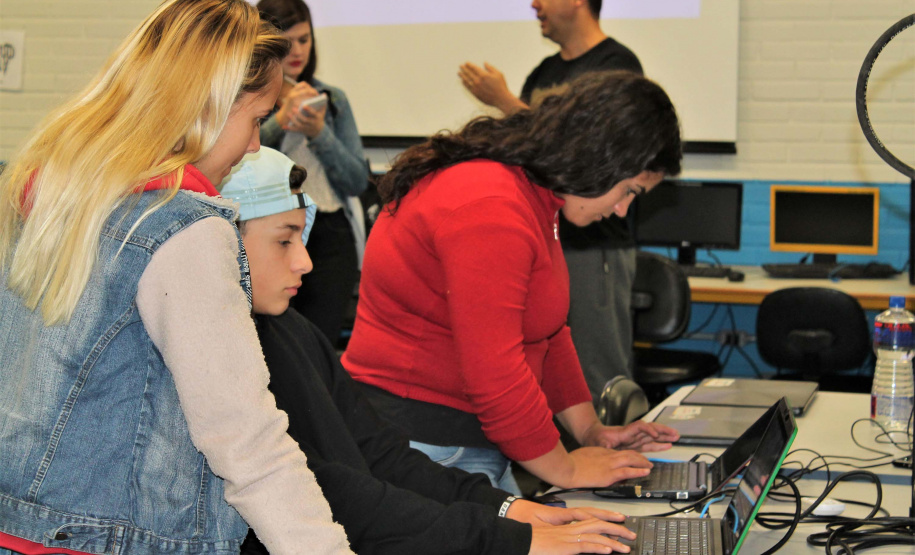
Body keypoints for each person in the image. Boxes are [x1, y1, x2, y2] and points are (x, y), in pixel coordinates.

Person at [0, 2, 351, 554]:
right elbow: (247, 442)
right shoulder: (182, 228)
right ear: (206, 107)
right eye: (256, 120)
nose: (257, 146)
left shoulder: (50, 196)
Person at [221, 146, 640, 555]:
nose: (305, 262)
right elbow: (338, 498)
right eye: (283, 242)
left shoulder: (293, 332)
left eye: (301, 237)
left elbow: (382, 456)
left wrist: (508, 509)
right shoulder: (231, 359)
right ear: (224, 242)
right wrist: (507, 537)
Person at [342, 71, 682, 495]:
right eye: (628, 191)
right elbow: (494, 374)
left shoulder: (534, 192)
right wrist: (568, 470)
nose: (620, 210)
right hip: (426, 444)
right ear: (601, 158)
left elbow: (546, 331)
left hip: (461, 440)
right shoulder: (492, 206)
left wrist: (591, 431)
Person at [459, 0, 644, 404]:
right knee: (545, 365)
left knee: (599, 370)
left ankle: (613, 458)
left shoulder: (617, 65)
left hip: (596, 244)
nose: (534, 4)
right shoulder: (545, 73)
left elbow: (591, 152)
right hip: (545, 237)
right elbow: (529, 148)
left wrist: (504, 100)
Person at [256, 0, 368, 347]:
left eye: (304, 40)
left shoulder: (333, 99)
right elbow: (238, 162)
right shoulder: (248, 98)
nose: (297, 51)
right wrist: (279, 121)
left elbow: (356, 181)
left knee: (318, 345)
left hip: (330, 235)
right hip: (268, 231)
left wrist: (320, 133)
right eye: (287, 41)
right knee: (272, 343)